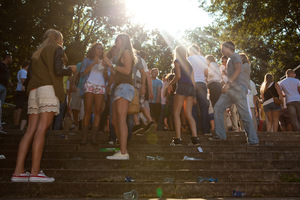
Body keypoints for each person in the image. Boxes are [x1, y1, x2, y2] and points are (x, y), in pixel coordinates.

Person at [11, 29, 76, 182]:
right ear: (57, 39)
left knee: (30, 130)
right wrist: (71, 69)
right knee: (41, 130)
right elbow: (58, 70)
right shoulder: (57, 49)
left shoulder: (36, 53)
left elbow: (29, 77)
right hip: (48, 90)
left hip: (34, 91)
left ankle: (18, 172)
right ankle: (34, 172)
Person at [211, 41, 259, 145]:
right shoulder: (229, 59)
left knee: (244, 114)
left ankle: (253, 140)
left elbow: (238, 70)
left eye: (222, 47)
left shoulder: (235, 56)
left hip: (238, 88)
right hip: (231, 89)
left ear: (227, 47)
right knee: (218, 108)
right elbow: (233, 73)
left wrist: (228, 83)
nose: (221, 49)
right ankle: (220, 136)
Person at [103, 33, 136, 160]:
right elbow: (116, 72)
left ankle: (123, 152)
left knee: (121, 120)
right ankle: (122, 148)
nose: (115, 42)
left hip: (125, 87)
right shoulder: (121, 55)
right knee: (114, 120)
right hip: (119, 87)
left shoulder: (126, 52)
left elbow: (127, 71)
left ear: (123, 41)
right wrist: (109, 65)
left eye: (117, 40)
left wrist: (111, 64)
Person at [168, 45, 199, 146]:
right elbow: (193, 80)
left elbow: (178, 76)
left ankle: (177, 139)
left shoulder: (177, 61)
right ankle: (195, 139)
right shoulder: (189, 64)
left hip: (182, 87)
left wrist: (170, 84)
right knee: (189, 114)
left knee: (176, 113)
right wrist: (194, 95)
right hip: (190, 88)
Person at [80, 43, 106, 144]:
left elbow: (106, 76)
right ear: (94, 49)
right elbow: (83, 73)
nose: (100, 50)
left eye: (101, 49)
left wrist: (105, 66)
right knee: (87, 110)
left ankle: (94, 137)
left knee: (98, 111)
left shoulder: (104, 61)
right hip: (89, 83)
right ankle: (84, 136)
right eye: (98, 48)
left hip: (100, 85)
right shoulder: (87, 59)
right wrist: (92, 64)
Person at [187, 44, 210, 135]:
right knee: (204, 108)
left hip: (191, 84)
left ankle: (194, 130)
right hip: (202, 83)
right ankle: (206, 130)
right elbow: (206, 72)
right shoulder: (203, 59)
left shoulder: (188, 59)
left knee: (192, 108)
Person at [14, 61, 29, 127]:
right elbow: (23, 80)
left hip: (18, 90)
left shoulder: (20, 71)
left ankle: (15, 123)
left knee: (17, 108)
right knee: (20, 108)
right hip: (21, 91)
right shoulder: (24, 71)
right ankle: (16, 124)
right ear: (27, 65)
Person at [69, 62, 84, 131]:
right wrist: (74, 85)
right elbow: (75, 74)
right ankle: (75, 122)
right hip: (78, 87)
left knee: (84, 108)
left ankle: (82, 123)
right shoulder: (80, 64)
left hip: (87, 88)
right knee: (75, 106)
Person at [0, 53, 13, 134]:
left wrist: (8, 83)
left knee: (1, 106)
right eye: (11, 58)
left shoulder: (6, 67)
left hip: (4, 87)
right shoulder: (0, 64)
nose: (11, 60)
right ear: (7, 57)